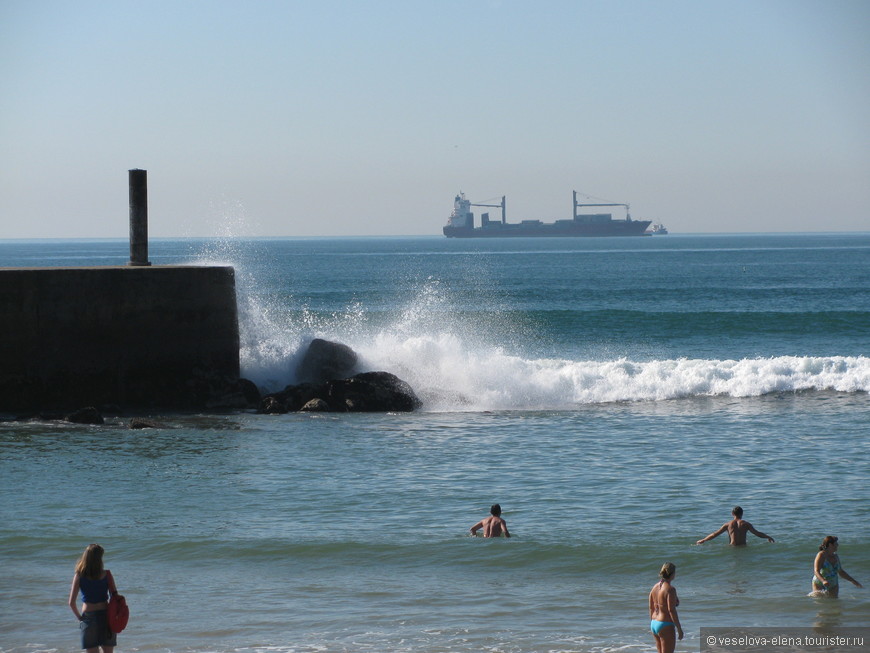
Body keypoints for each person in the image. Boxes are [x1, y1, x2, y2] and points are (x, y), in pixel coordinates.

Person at [68, 543, 119, 652]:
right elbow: (115, 598)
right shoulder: (107, 574)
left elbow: (71, 603)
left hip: (88, 618)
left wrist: (79, 618)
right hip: (107, 617)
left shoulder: (79, 575)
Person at [649, 562, 683, 653]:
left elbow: (651, 607)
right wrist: (679, 629)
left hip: (654, 623)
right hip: (665, 624)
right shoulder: (670, 589)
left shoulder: (654, 587)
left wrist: (652, 623)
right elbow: (671, 610)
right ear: (672, 574)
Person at [696, 506, 774, 545]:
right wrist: (768, 537)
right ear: (742, 514)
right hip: (743, 547)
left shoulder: (727, 524)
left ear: (732, 514)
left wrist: (703, 540)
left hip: (732, 547)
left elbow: (715, 534)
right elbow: (757, 533)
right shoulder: (746, 524)